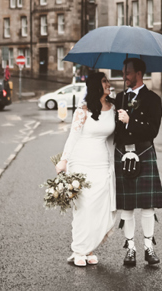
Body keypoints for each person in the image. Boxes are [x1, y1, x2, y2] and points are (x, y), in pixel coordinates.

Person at [55, 72, 117, 267]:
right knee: (84, 207)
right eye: (104, 81)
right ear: (96, 86)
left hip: (103, 163)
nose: (108, 84)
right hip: (81, 161)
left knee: (99, 207)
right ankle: (79, 249)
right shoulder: (83, 110)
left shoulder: (114, 108)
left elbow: (114, 138)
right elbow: (73, 137)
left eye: (108, 80)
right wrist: (63, 161)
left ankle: (90, 248)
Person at [114, 58, 162, 266]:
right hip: (122, 153)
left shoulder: (153, 99)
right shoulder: (118, 99)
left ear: (139, 73)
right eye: (123, 71)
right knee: (126, 206)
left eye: (128, 72)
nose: (124, 76)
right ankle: (130, 248)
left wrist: (130, 121)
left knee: (147, 205)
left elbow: (153, 130)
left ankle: (148, 247)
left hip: (144, 153)